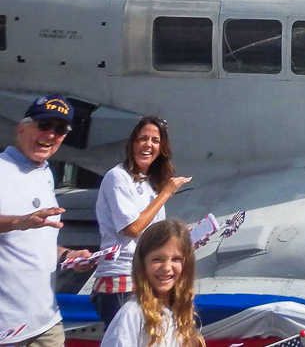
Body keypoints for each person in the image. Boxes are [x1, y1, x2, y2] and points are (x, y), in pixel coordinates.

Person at [0, 95, 92, 347]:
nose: (51, 134)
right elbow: (23, 225)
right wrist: (20, 221)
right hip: (6, 329)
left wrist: (66, 256)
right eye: (44, 125)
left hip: (46, 322)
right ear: (22, 127)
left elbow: (34, 242)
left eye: (60, 129)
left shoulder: (44, 173)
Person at [92, 116, 191, 324]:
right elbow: (133, 228)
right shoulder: (117, 177)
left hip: (146, 277)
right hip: (121, 279)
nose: (148, 145)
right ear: (132, 143)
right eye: (142, 138)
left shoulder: (150, 184)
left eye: (155, 140)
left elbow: (152, 236)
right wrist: (166, 193)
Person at [98, 219, 203, 347]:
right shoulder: (132, 314)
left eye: (176, 259)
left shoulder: (181, 314)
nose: (167, 268)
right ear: (142, 264)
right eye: (157, 259)